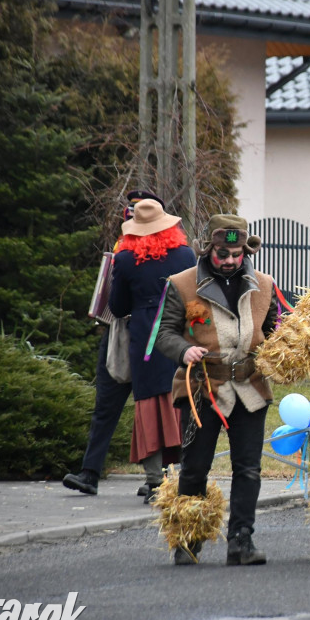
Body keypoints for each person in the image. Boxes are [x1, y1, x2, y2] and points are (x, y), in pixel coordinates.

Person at [155, 214, 278, 566]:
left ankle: (242, 541)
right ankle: (188, 541)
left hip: (250, 386)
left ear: (246, 251)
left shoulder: (265, 284)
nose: (229, 260)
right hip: (201, 386)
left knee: (249, 469)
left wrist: (278, 351)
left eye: (236, 254)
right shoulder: (181, 283)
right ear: (209, 248)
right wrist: (183, 350)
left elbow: (274, 330)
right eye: (222, 253)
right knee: (195, 468)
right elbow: (163, 333)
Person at [63, 190, 153, 496]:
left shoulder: (171, 253)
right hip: (117, 335)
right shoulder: (119, 249)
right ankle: (90, 473)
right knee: (105, 405)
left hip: (152, 340)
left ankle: (156, 479)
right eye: (129, 217)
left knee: (150, 409)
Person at [108, 195, 196, 503]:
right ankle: (181, 475)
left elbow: (117, 307)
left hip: (145, 335)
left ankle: (155, 479)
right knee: (180, 399)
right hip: (180, 333)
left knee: (148, 404)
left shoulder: (124, 260)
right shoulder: (186, 255)